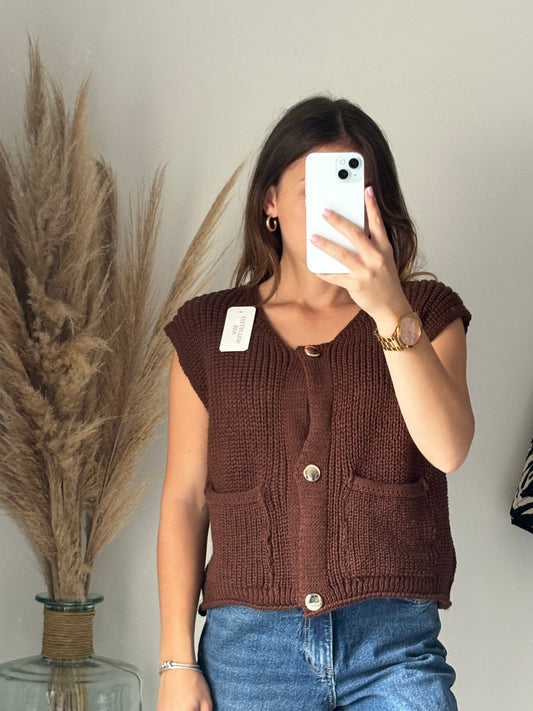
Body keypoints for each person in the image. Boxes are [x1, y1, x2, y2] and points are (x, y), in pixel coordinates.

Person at [157, 96, 474, 711]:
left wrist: (389, 306)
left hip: (393, 647)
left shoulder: (427, 314)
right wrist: (176, 662)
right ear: (270, 202)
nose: (333, 212)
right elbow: (184, 500)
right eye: (313, 191)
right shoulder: (207, 330)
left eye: (351, 190)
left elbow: (449, 448)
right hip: (250, 652)